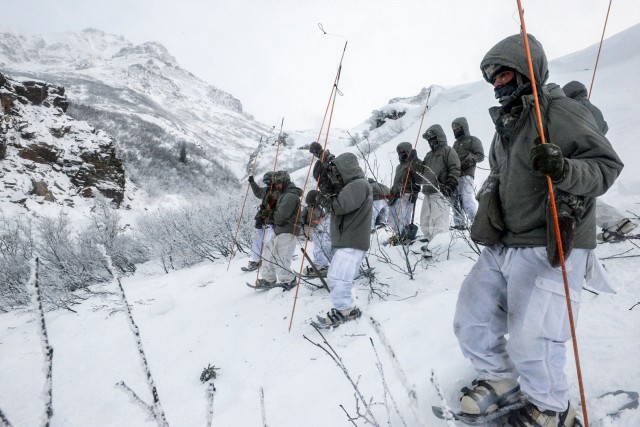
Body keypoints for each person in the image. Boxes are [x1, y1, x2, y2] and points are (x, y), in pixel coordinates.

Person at [453, 34, 623, 427]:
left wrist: (564, 169)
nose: (498, 84)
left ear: (528, 72)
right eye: (493, 79)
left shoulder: (559, 111)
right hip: (505, 241)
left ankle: (551, 409)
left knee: (535, 335)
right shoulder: (507, 124)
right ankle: (501, 380)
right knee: (471, 317)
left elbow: (605, 165)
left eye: (505, 74)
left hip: (551, 241)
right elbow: (499, 170)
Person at [562, 80, 636, 242]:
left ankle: (616, 223)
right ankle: (616, 223)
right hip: (593, 159)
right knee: (579, 196)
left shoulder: (574, 109)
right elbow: (603, 128)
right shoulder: (593, 109)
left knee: (574, 196)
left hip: (579, 159)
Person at [309, 145, 372, 326]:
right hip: (348, 240)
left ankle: (345, 310)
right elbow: (334, 193)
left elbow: (338, 206)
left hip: (352, 241)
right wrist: (323, 173)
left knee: (339, 277)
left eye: (337, 172)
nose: (335, 176)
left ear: (346, 169)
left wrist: (319, 198)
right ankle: (344, 308)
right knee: (337, 276)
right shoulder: (352, 185)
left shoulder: (358, 185)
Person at [256, 170, 303, 289]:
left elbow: (280, 217)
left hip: (288, 230)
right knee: (268, 253)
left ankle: (289, 280)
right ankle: (268, 279)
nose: (276, 186)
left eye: (278, 183)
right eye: (275, 184)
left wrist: (270, 214)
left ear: (285, 182)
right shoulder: (283, 194)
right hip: (280, 230)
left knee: (281, 257)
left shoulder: (290, 196)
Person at [418, 124, 460, 256]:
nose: (431, 140)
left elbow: (455, 168)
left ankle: (439, 246)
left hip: (440, 190)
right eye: (429, 139)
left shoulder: (448, 150)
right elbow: (422, 171)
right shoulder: (429, 155)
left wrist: (450, 184)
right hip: (428, 191)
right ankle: (430, 242)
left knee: (439, 219)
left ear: (439, 136)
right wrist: (414, 160)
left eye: (433, 137)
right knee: (425, 219)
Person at [451, 117, 484, 229]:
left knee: (466, 199)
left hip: (467, 175)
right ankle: (459, 224)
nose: (455, 130)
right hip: (455, 176)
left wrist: (469, 160)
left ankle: (476, 222)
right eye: (453, 128)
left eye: (457, 127)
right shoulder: (455, 144)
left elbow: (480, 156)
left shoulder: (473, 140)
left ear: (463, 127)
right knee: (455, 201)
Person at [387, 142, 421, 245]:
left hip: (407, 194)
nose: (401, 154)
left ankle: (404, 235)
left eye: (403, 152)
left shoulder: (413, 163)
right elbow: (396, 181)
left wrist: (415, 192)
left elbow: (418, 179)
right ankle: (398, 234)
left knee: (403, 216)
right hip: (396, 194)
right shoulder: (399, 167)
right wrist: (392, 192)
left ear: (408, 152)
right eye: (399, 152)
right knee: (392, 216)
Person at [243, 171, 278, 272]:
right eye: (266, 182)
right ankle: (256, 261)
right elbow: (258, 192)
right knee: (257, 242)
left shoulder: (278, 192)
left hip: (271, 222)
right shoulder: (267, 190)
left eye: (269, 181)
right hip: (263, 222)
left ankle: (276, 259)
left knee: (269, 242)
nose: (267, 184)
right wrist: (253, 183)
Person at [300, 190, 332, 277]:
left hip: (320, 228)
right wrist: (303, 226)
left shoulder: (320, 208)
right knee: (318, 245)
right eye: (310, 204)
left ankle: (321, 265)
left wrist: (321, 220)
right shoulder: (307, 209)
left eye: (312, 203)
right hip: (311, 228)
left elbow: (324, 216)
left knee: (322, 245)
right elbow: (301, 218)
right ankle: (319, 264)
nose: (311, 205)